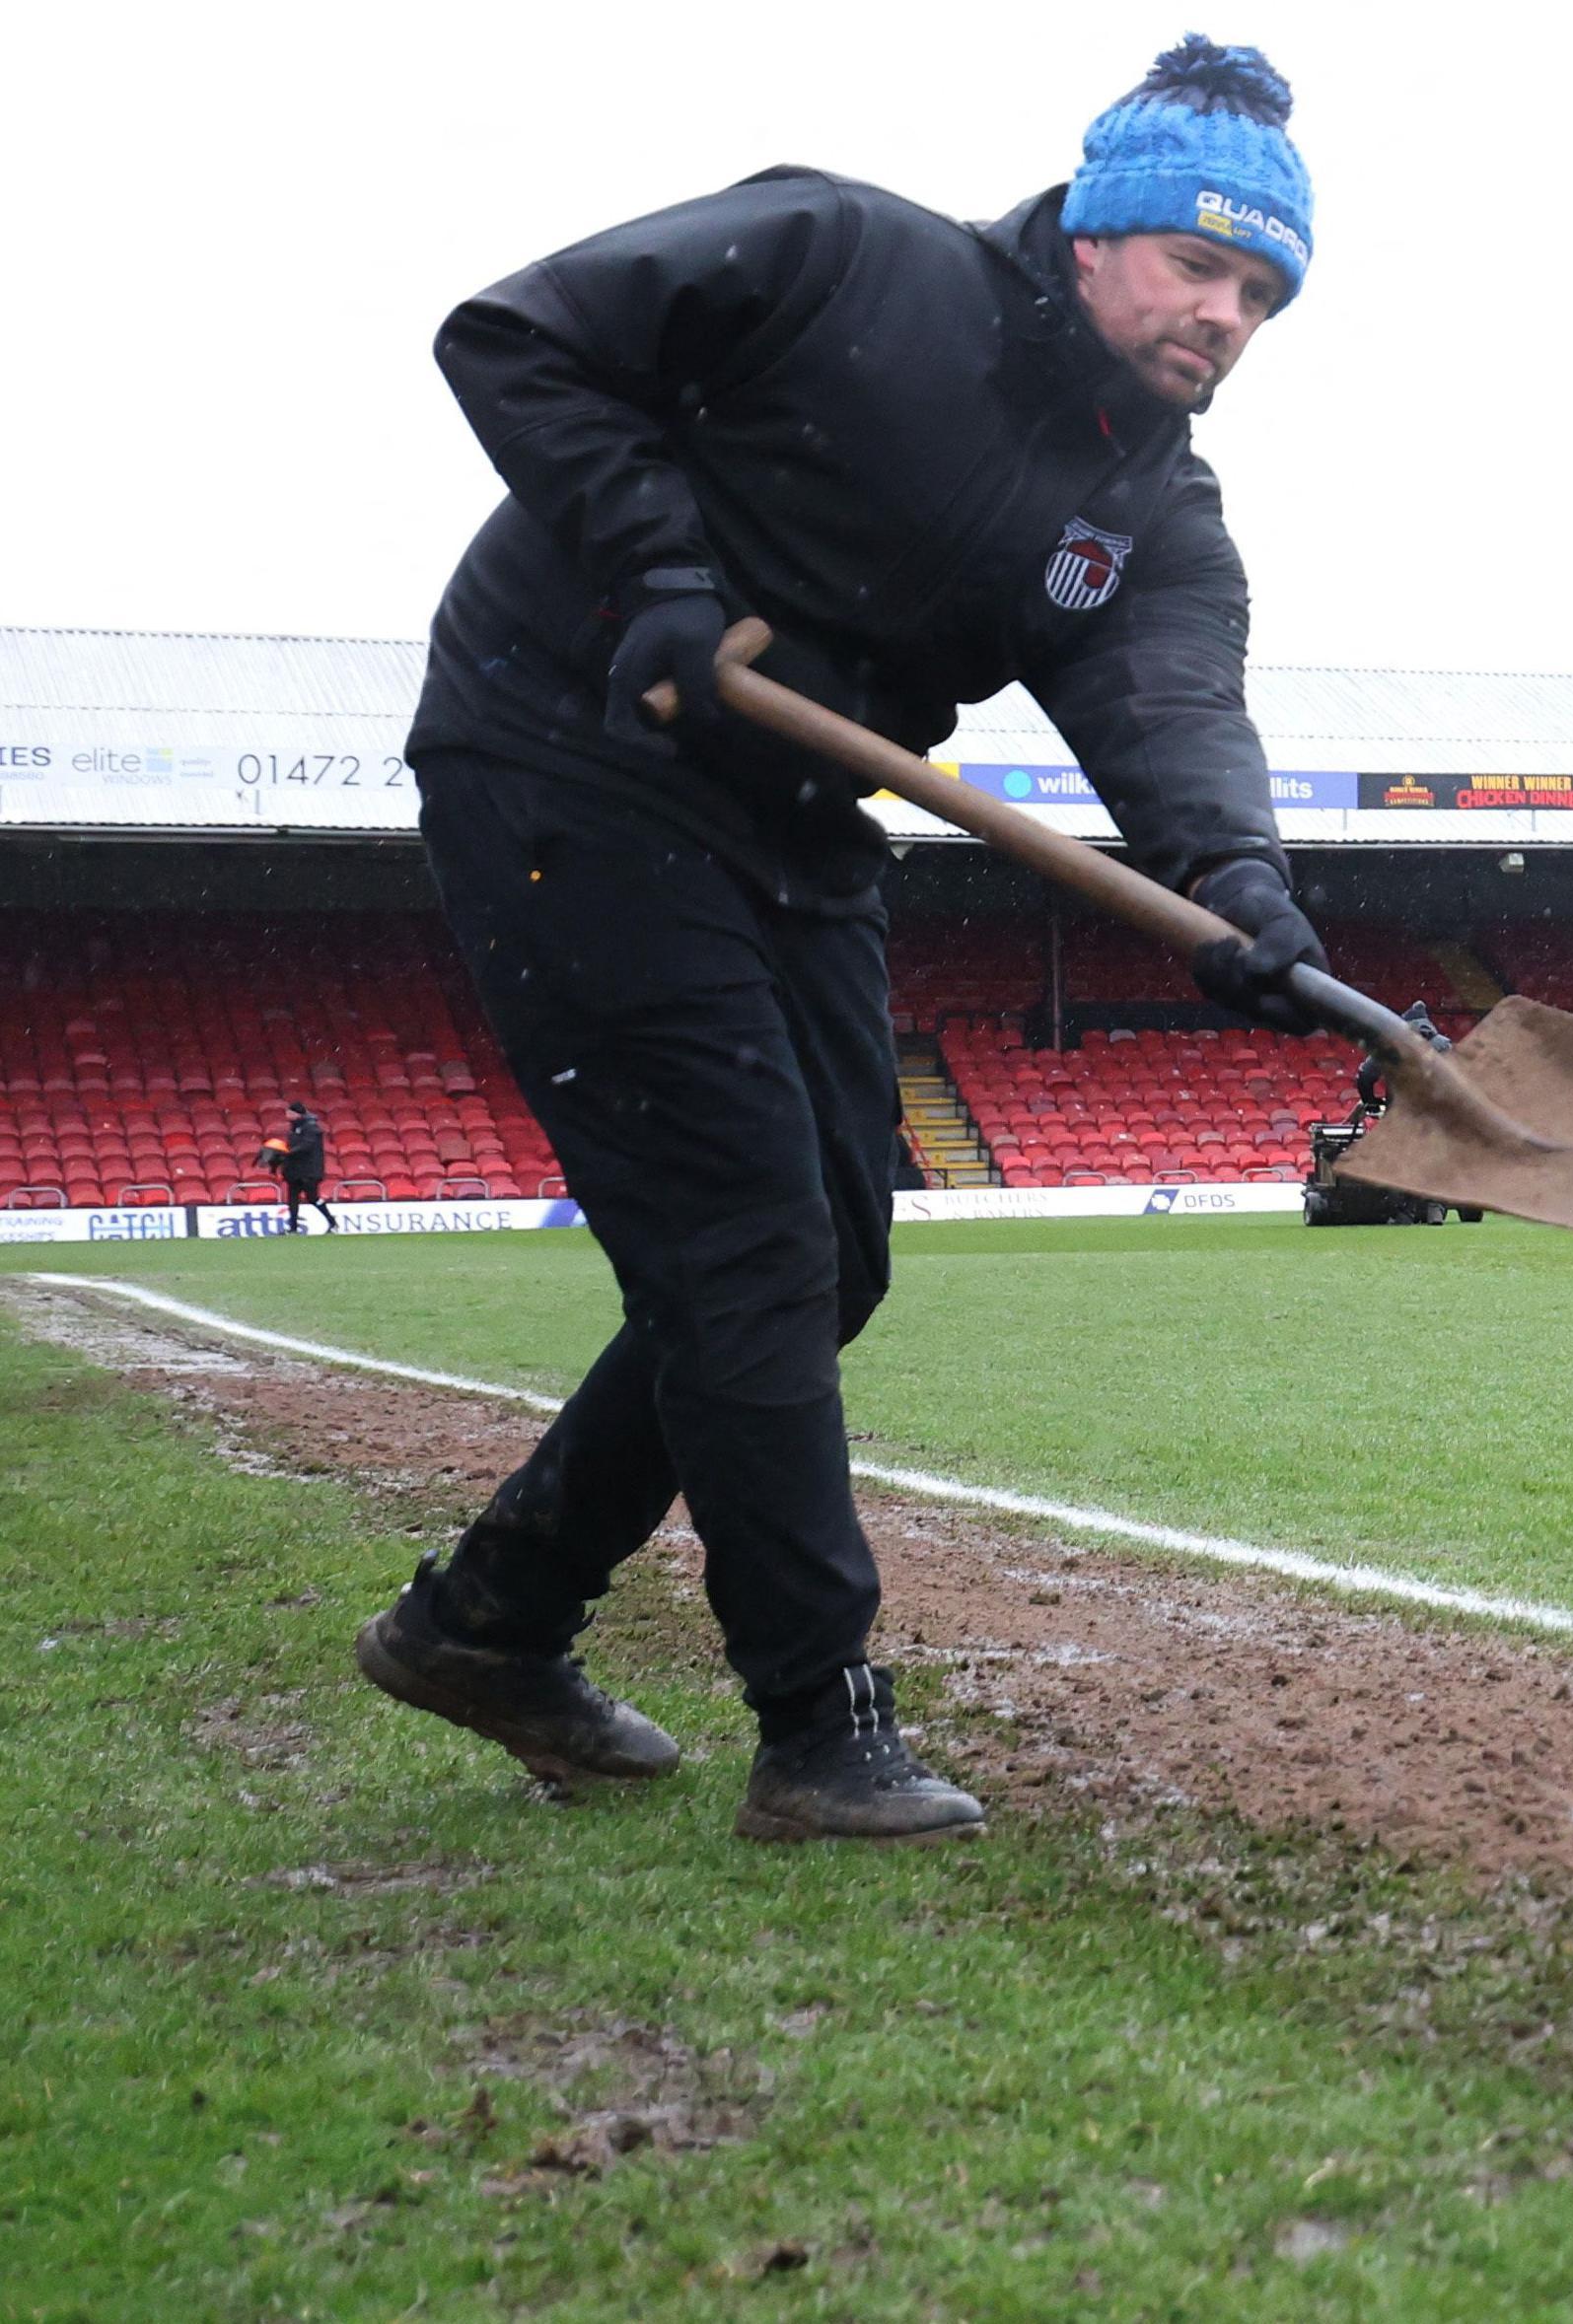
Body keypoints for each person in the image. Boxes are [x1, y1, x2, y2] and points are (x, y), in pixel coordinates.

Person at [356, 37, 1327, 1843]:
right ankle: (818, 1721)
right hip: (569, 749)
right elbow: (517, 333)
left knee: (834, 1259)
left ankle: (487, 1620)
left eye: (1263, 292)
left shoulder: (1149, 507)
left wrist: (1241, 897)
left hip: (795, 818)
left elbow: (1172, 705)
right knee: (744, 1236)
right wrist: (659, 567)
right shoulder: (849, 255)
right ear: (1101, 235)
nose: (1225, 315)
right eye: (1200, 263)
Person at [265, 1102, 337, 1232]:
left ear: (296, 1113)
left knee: (313, 1198)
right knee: (292, 1199)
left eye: (289, 1112)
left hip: (309, 1170)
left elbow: (306, 1146)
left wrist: (287, 1152)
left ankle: (332, 1222)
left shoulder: (312, 1128)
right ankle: (292, 1228)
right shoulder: (294, 1128)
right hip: (294, 1170)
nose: (287, 1115)